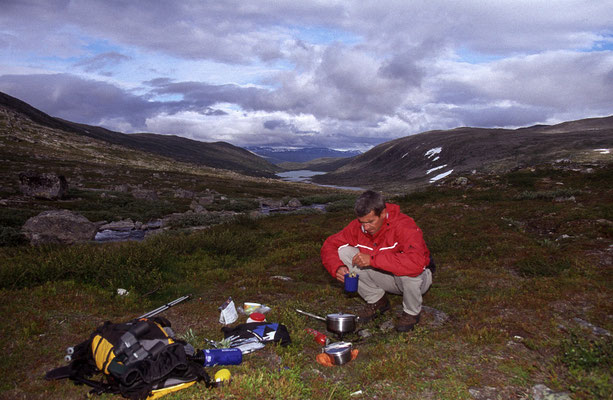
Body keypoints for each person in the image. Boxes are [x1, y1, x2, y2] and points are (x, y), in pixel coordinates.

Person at [320, 190, 435, 332]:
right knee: (342, 252)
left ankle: (411, 313)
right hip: (386, 277)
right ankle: (377, 301)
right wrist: (337, 267)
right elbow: (329, 244)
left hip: (417, 280)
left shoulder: (404, 225)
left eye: (370, 221)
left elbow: (416, 263)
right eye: (362, 222)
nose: (366, 227)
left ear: (383, 213)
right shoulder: (358, 227)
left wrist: (373, 260)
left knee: (408, 267)